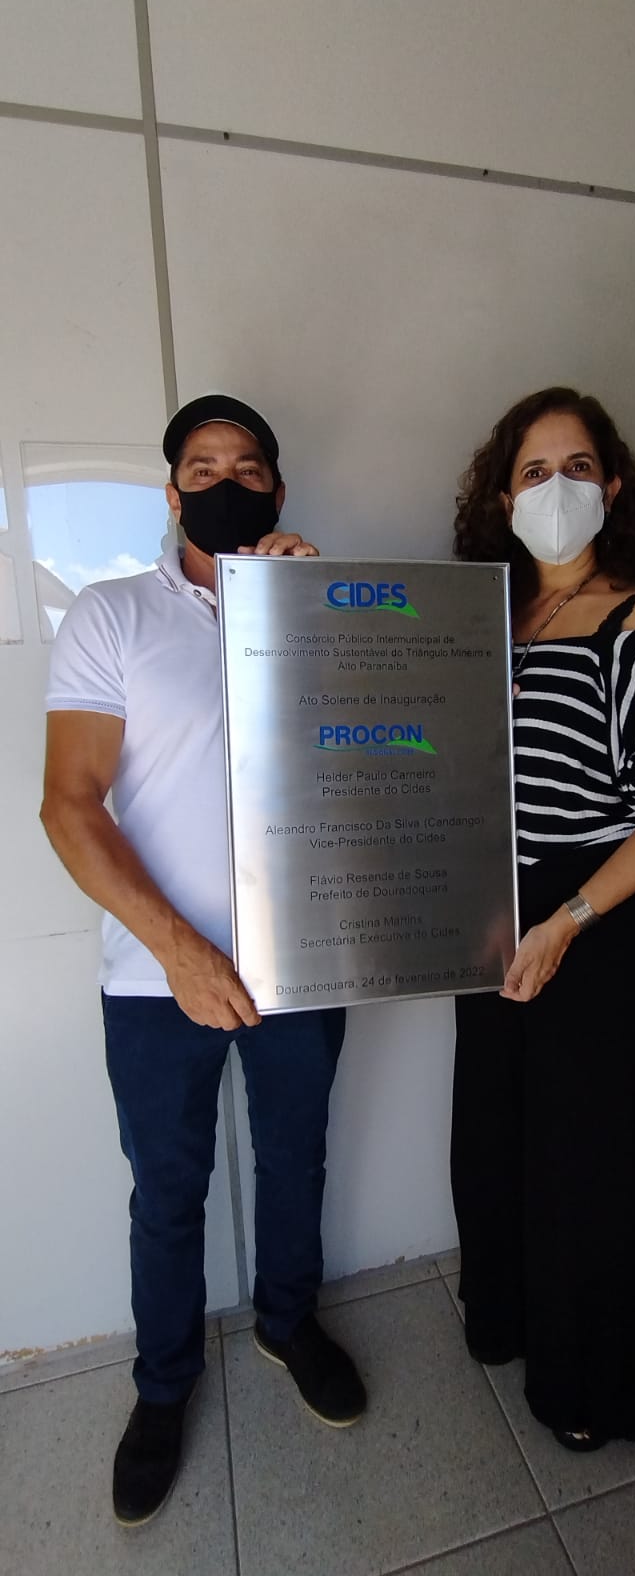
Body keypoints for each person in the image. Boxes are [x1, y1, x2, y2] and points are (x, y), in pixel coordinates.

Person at [40, 394, 366, 1528]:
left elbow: (381, 760)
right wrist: (179, 950)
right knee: (170, 1192)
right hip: (153, 977)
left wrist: (312, 615)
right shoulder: (113, 615)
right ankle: (164, 1384)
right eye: (203, 464)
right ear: (172, 490)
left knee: (296, 1159)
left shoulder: (322, 603)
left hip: (305, 962)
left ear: (277, 487)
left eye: (248, 465)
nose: (227, 480)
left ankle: (288, 1320)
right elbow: (70, 805)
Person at [450, 386, 635, 1451]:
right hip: (494, 911)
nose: (553, 488)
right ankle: (509, 1318)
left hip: (600, 917)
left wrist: (565, 920)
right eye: (532, 471)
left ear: (611, 488)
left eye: (575, 468)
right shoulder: (488, 619)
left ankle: (591, 1385)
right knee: (500, 1131)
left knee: (593, 1158)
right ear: (502, 498)